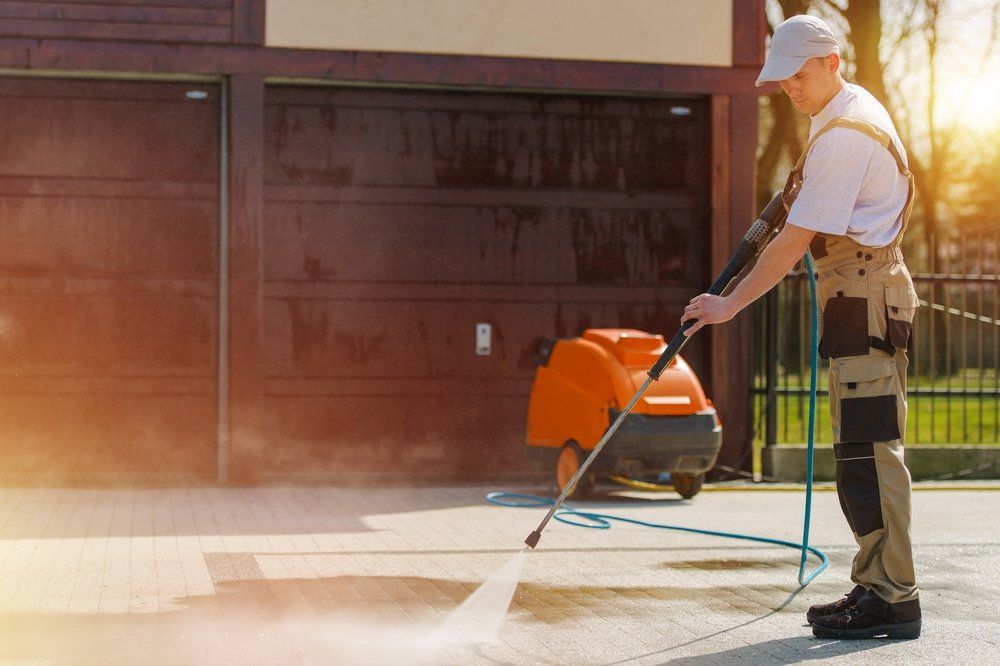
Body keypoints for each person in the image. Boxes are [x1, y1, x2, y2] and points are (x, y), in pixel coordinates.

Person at [680, 14, 921, 640]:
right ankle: (876, 585)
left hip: (864, 296)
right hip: (857, 296)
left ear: (833, 61)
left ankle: (895, 599)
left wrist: (728, 304)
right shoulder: (843, 112)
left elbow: (792, 244)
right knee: (856, 453)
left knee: (869, 454)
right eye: (783, 80)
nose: (791, 88)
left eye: (800, 75)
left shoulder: (844, 133)